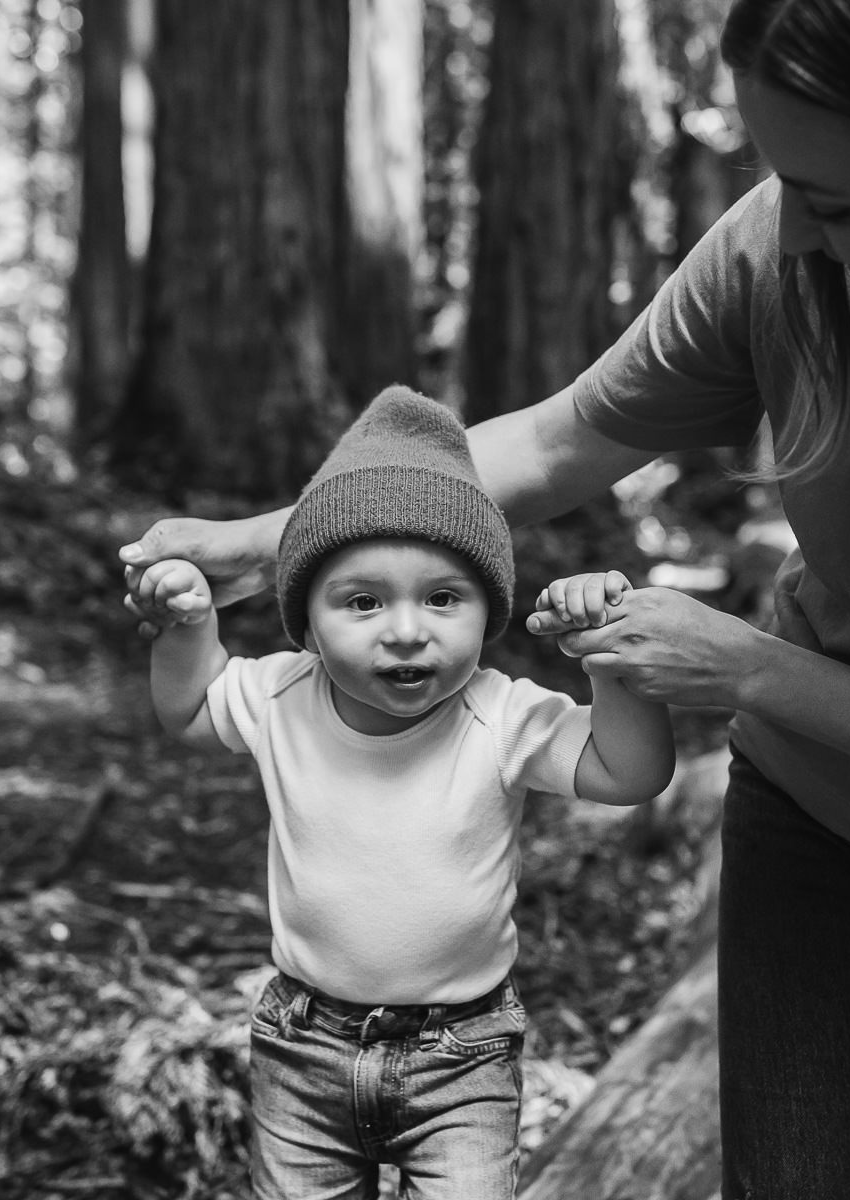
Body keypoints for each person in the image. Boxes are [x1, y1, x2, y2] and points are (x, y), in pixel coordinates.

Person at [124, 2, 850, 1194]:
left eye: (836, 201)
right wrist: (271, 544)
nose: (789, 228)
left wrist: (750, 670)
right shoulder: (789, 243)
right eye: (783, 180)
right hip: (819, 827)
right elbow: (568, 435)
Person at [129, 386, 675, 1200]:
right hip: (302, 1045)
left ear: (488, 610)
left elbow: (628, 772)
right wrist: (188, 626)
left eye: (443, 598)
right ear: (306, 623)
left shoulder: (499, 715)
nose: (408, 629)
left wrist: (610, 658)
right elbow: (191, 707)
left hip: (463, 1055)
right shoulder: (284, 697)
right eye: (363, 602)